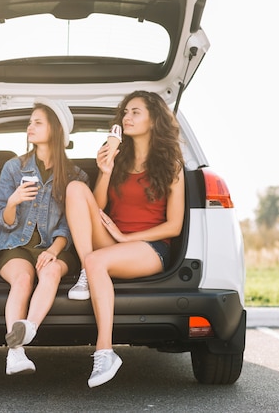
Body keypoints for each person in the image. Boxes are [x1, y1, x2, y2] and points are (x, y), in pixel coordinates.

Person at [65, 90, 185, 387]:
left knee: (96, 260)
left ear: (153, 120)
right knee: (75, 190)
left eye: (135, 112)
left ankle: (105, 351)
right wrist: (105, 171)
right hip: (113, 242)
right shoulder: (118, 158)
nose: (126, 118)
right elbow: (98, 206)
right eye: (125, 113)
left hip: (149, 248)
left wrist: (126, 235)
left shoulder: (172, 165)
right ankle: (86, 270)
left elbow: (174, 226)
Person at [0, 98, 88, 375]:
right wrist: (12, 202)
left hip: (56, 246)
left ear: (56, 130)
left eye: (38, 122)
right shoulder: (13, 168)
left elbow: (71, 227)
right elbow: (3, 221)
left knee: (50, 272)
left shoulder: (76, 176)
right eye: (29, 122)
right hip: (16, 245)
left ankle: (29, 328)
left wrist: (54, 251)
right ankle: (15, 354)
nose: (29, 127)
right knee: (23, 279)